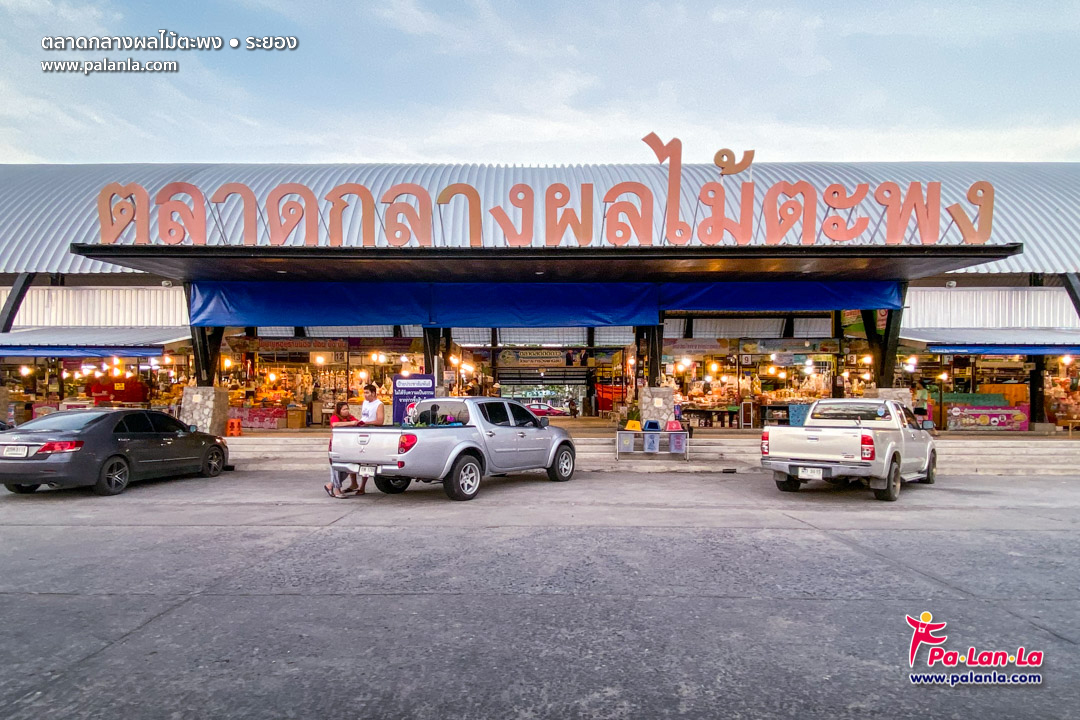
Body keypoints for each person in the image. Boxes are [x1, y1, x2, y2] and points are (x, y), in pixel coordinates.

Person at [324, 400, 361, 499]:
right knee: (336, 468)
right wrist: (350, 423)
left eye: (347, 409)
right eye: (344, 409)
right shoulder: (335, 417)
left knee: (346, 469)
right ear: (339, 410)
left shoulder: (350, 417)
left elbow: (357, 422)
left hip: (347, 446)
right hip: (336, 446)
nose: (346, 411)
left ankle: (330, 485)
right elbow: (334, 424)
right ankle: (337, 489)